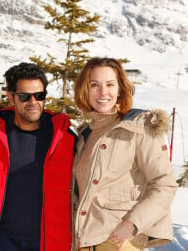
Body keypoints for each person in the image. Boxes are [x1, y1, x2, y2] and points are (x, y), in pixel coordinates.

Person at [0, 62, 76, 251]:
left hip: (49, 241)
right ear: (11, 97)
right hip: (1, 241)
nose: (33, 102)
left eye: (39, 96)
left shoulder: (64, 138)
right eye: (25, 96)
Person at [72, 57, 178, 251]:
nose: (103, 92)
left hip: (117, 242)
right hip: (82, 242)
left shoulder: (139, 128)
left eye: (110, 84)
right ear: (85, 90)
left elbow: (165, 184)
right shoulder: (83, 136)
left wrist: (131, 225)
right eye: (94, 85)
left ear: (120, 89)